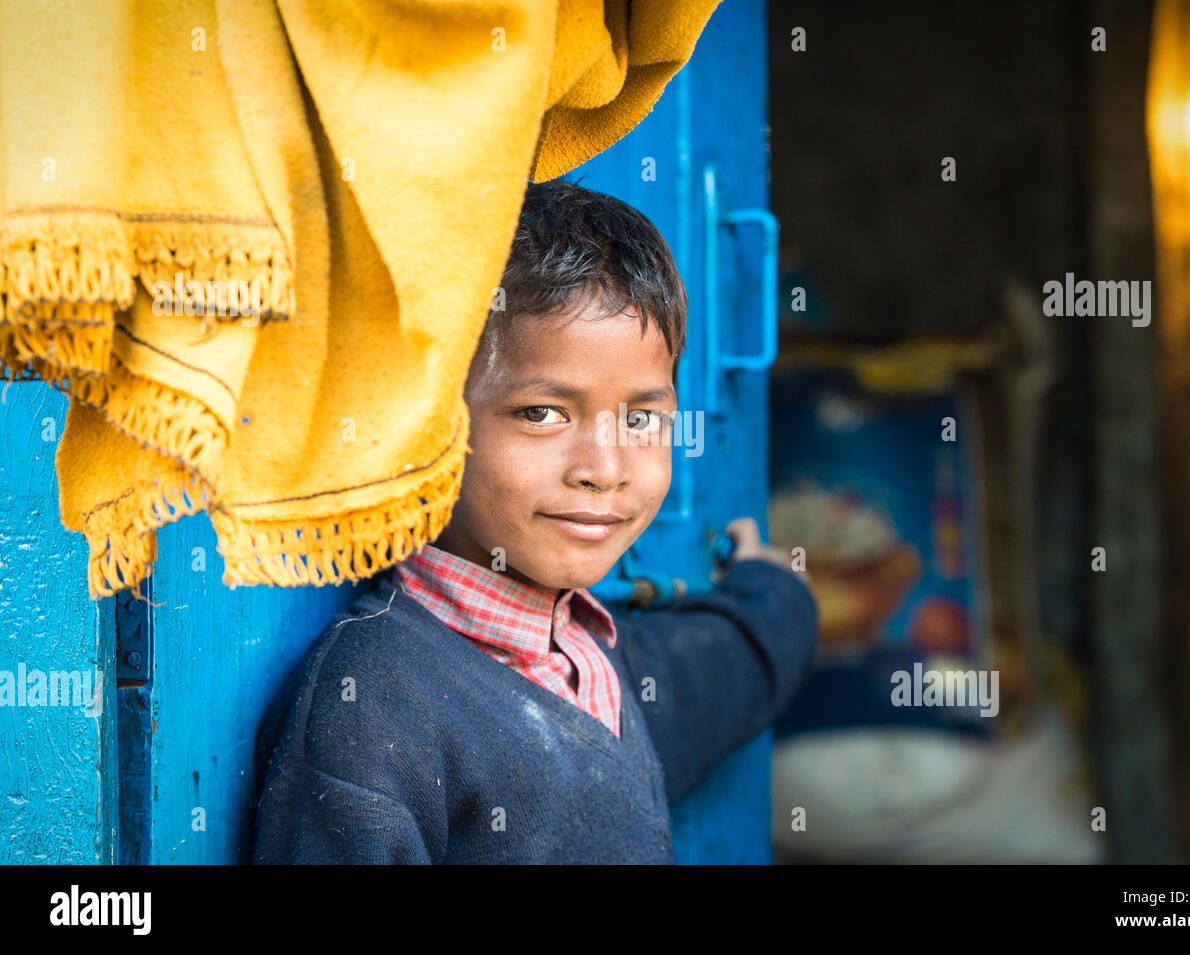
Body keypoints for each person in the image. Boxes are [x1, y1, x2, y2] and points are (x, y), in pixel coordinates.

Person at [251, 179, 819, 863]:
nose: (604, 467)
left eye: (642, 418)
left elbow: (736, 661)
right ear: (427, 425)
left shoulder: (598, 661)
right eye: (542, 413)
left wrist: (771, 584)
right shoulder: (371, 707)